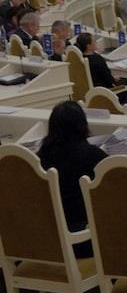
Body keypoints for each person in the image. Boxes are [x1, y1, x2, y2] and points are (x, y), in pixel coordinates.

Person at [36, 101, 107, 259]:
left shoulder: (39, 158)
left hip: (49, 241)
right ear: (82, 125)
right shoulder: (91, 155)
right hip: (84, 240)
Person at [77, 33, 127, 104]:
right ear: (88, 46)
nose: (96, 43)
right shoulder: (97, 59)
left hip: (90, 93)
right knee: (126, 88)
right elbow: (109, 81)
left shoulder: (79, 59)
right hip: (104, 92)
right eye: (94, 41)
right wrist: (113, 78)